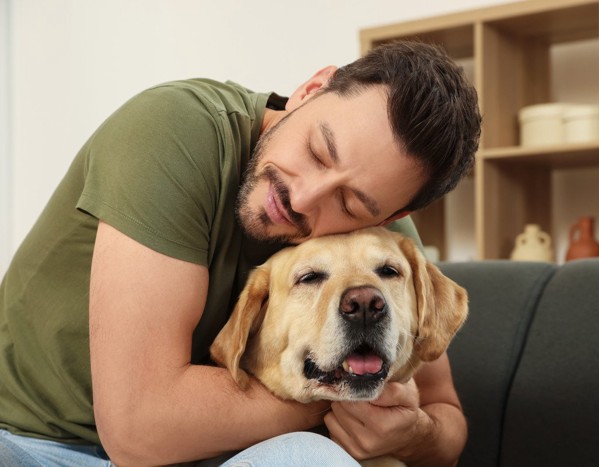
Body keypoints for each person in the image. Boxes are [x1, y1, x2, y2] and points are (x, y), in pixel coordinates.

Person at [0, 40, 481, 466]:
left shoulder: (379, 242)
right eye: (318, 150)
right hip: (33, 443)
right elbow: (138, 428)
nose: (305, 196)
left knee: (309, 459)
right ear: (311, 89)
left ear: (388, 214)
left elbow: (444, 418)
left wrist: (414, 433)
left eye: (350, 203)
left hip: (211, 454)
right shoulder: (173, 132)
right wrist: (343, 391)